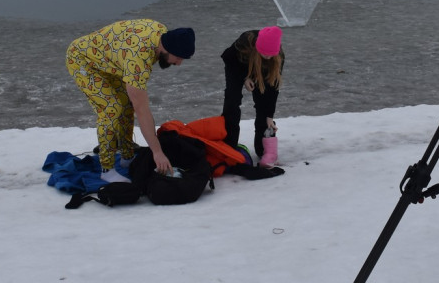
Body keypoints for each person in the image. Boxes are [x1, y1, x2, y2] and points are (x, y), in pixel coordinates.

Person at [66, 19, 195, 182]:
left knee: (127, 105)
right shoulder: (138, 60)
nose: (179, 63)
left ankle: (127, 157)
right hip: (83, 60)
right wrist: (157, 152)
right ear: (167, 48)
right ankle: (107, 169)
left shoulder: (161, 32)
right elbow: (142, 110)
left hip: (111, 62)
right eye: (178, 58)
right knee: (112, 110)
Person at [221, 26, 284, 166]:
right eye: (265, 53)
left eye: (271, 54)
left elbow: (273, 88)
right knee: (233, 100)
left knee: (264, 104)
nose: (268, 56)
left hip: (261, 70)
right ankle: (228, 145)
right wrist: (244, 78)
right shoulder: (245, 43)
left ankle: (264, 149)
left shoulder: (278, 57)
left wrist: (269, 116)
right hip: (238, 65)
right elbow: (226, 57)